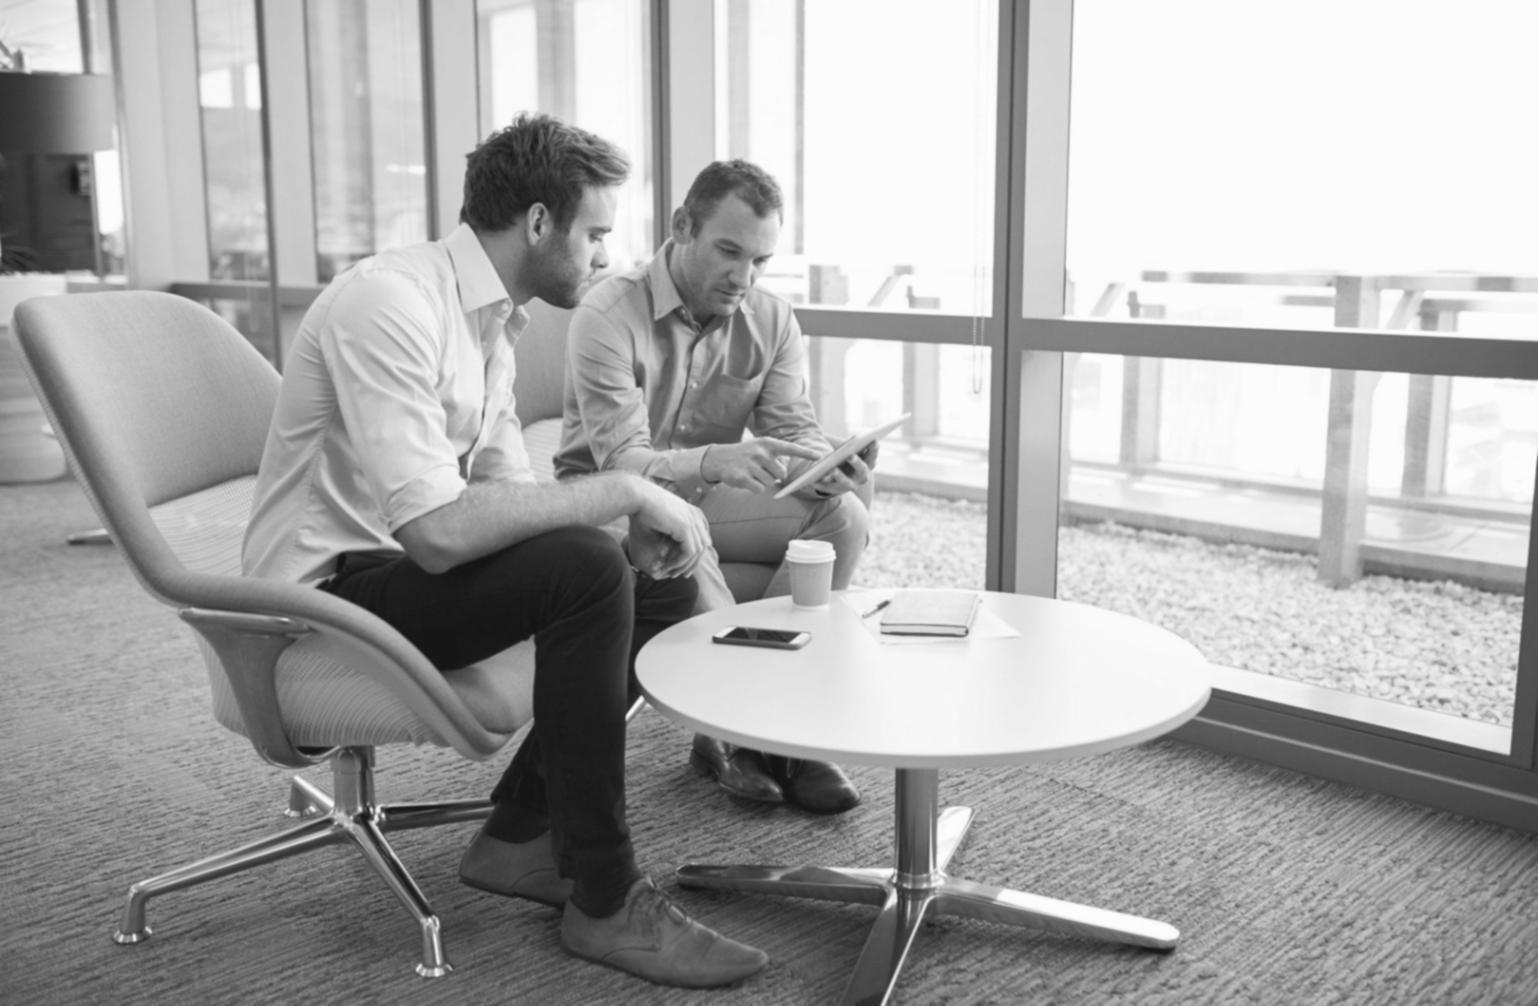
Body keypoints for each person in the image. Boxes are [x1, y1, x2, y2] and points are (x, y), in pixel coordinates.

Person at [241, 113, 766, 990]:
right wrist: (629, 490)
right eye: (595, 233)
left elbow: (506, 499)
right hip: (321, 596)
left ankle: (521, 830)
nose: (605, 256)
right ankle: (605, 898)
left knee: (650, 577)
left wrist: (623, 524)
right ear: (536, 223)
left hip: (396, 571)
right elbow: (439, 535)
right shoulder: (390, 303)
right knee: (589, 568)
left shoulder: (492, 322)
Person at [554, 159, 872, 815]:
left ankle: (759, 729)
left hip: (708, 497)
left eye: (760, 260)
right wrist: (712, 462)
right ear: (682, 228)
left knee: (843, 517)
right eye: (729, 251)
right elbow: (624, 461)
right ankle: (762, 732)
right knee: (680, 531)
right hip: (609, 507)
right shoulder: (607, 315)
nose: (744, 277)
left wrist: (826, 467)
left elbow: (792, 431)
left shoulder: (771, 319)